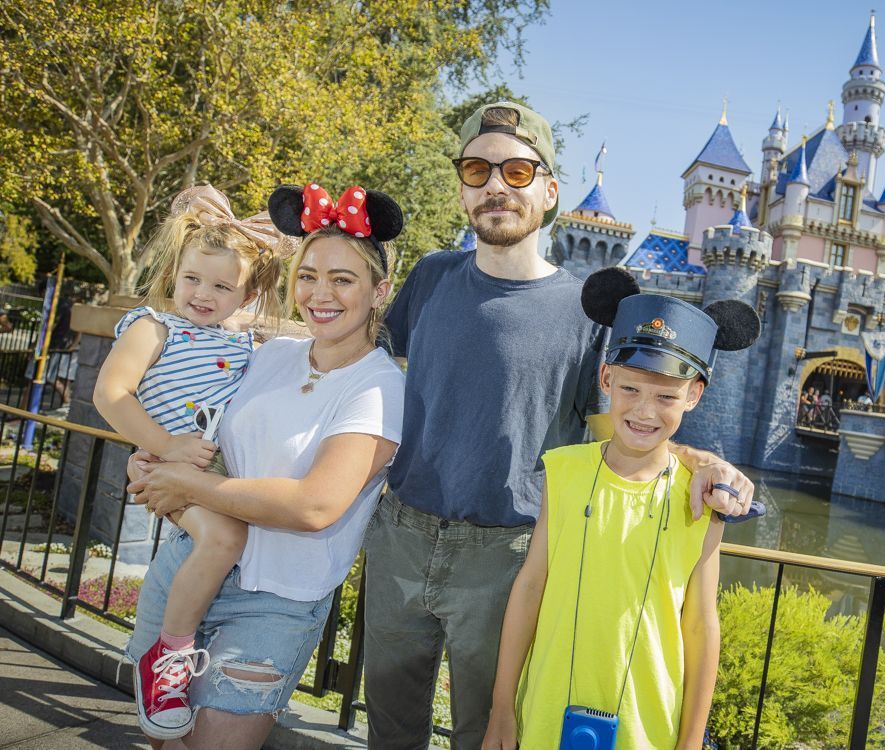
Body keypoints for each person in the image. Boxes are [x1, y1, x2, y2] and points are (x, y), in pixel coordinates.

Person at [363, 101, 754, 748]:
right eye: (477, 169)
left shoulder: (584, 313)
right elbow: (369, 370)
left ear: (549, 192)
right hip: (401, 533)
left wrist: (697, 462)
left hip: (506, 558)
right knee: (390, 729)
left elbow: (624, 429)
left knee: (486, 733)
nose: (495, 185)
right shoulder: (431, 276)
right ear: (461, 187)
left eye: (517, 172)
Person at [124, 182, 407, 748]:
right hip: (187, 568)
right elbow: (201, 430)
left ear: (380, 291)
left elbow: (315, 505)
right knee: (162, 742)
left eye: (343, 279)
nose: (320, 294)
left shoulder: (379, 387)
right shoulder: (268, 354)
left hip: (272, 603)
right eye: (308, 275)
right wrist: (156, 459)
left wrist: (190, 484)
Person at [483, 274, 760, 749]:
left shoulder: (702, 500)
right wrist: (501, 708)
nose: (644, 411)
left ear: (693, 395)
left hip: (645, 726)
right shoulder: (563, 472)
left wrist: (691, 741)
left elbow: (700, 624)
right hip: (545, 712)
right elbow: (531, 586)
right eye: (630, 390)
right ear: (607, 378)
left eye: (667, 396)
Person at [92, 185, 287, 740]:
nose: (203, 293)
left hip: (215, 472)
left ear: (247, 295)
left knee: (230, 535)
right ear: (175, 272)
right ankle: (169, 661)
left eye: (223, 286)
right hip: (168, 464)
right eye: (192, 278)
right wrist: (166, 445)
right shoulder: (155, 327)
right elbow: (112, 394)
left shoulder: (244, 341)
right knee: (226, 538)